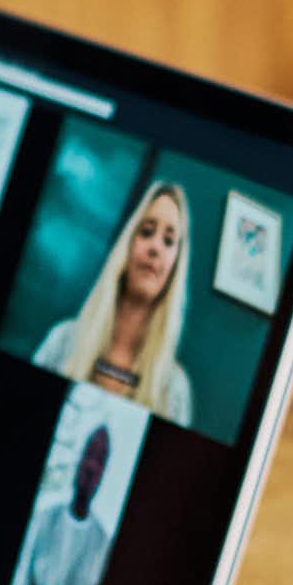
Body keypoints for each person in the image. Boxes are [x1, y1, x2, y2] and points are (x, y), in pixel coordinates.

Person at [33, 180, 196, 428]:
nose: (155, 247)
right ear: (127, 244)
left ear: (176, 265)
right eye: (147, 231)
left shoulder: (175, 390)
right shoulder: (61, 341)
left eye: (169, 240)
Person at [4, 420, 118, 585]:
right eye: (89, 454)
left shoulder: (104, 547)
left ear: (104, 474)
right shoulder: (43, 519)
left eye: (100, 460)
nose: (90, 467)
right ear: (79, 460)